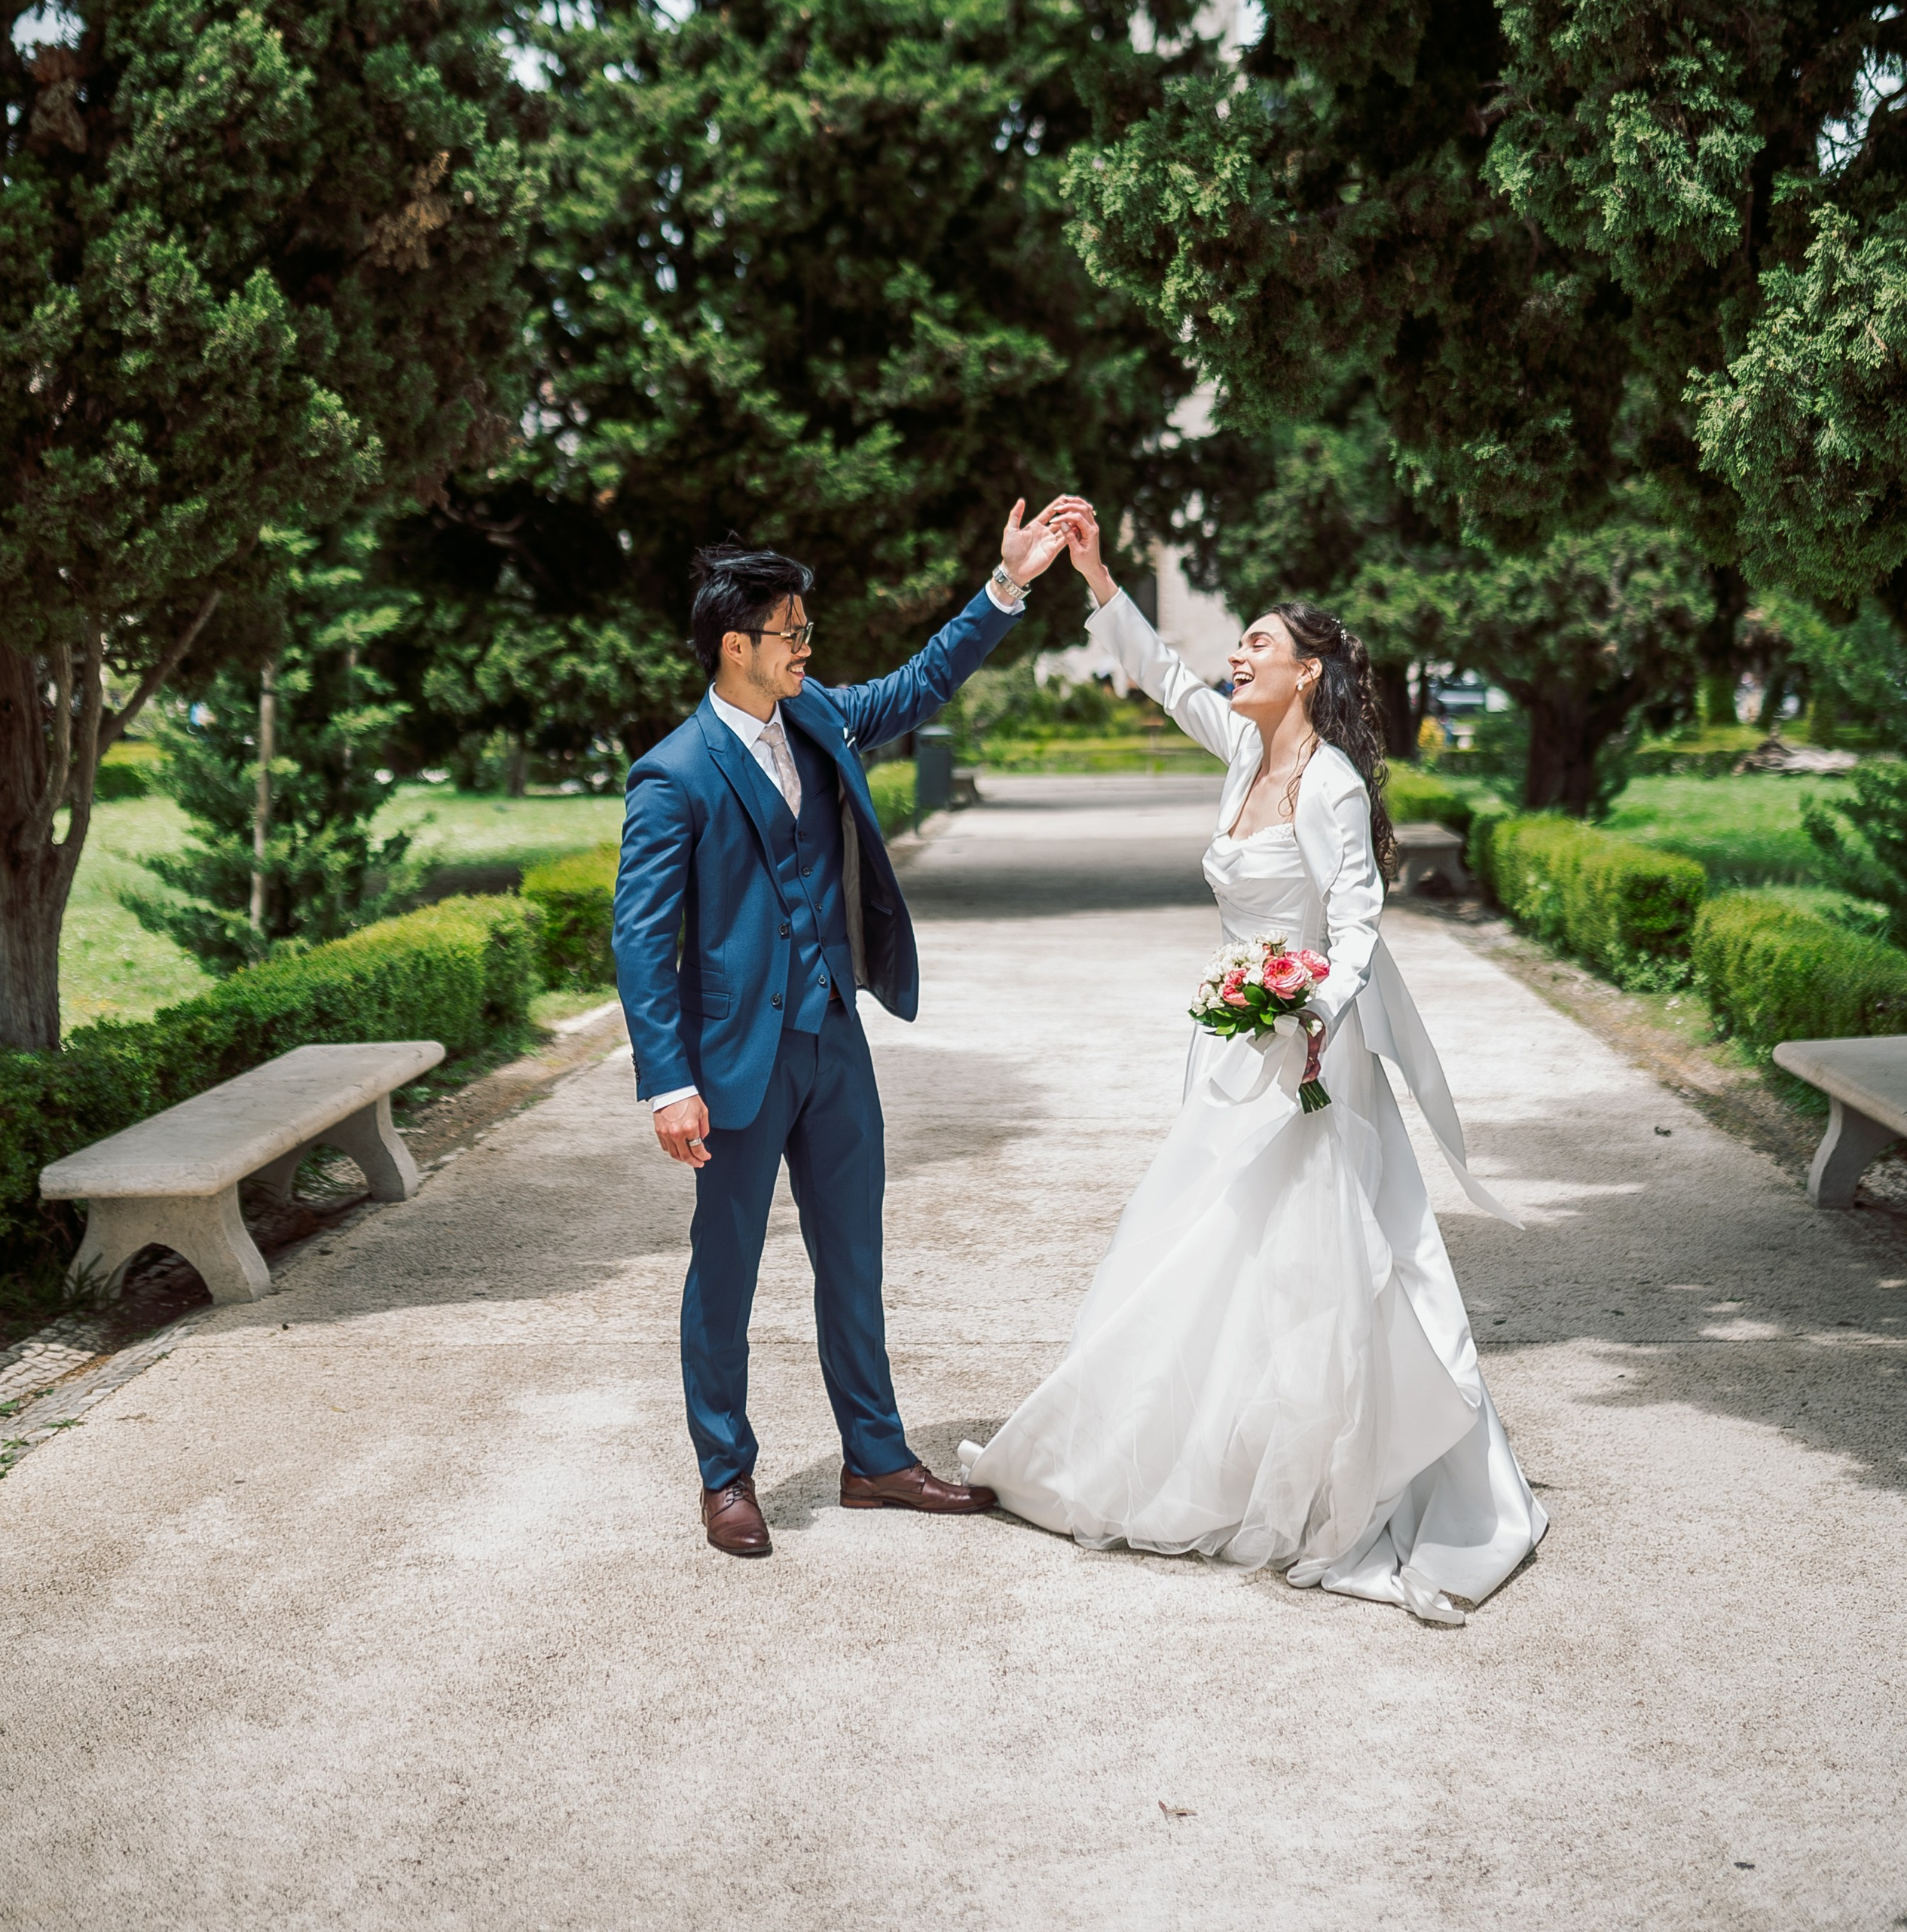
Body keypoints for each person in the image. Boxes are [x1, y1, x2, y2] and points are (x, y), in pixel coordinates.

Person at [964, 508, 1546, 1625]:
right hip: (1228, 1041)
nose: (1236, 657)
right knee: (1208, 1237)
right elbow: (1161, 675)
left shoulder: (1331, 784)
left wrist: (1312, 1006)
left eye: (1258, 645)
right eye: (1238, 645)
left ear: (1307, 672)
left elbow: (1358, 922)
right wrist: (1095, 576)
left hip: (1311, 1054)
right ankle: (1212, 1459)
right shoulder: (1243, 751)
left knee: (1313, 1259)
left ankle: (1331, 1479)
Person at [613, 500, 1086, 1558]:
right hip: (734, 1063)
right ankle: (724, 1475)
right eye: (789, 632)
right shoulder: (672, 773)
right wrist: (667, 1083)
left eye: (804, 630)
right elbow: (641, 942)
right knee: (725, 1273)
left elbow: (919, 684)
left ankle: (875, 1458)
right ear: (734, 646)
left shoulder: (819, 715)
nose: (805, 647)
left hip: (833, 1041)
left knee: (854, 1259)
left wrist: (1007, 584)